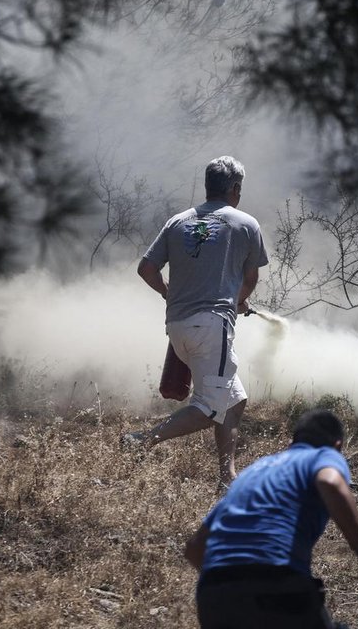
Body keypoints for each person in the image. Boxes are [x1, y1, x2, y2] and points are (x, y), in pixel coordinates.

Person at [127, 155, 268, 487]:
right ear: (235, 188)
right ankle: (142, 440)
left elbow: (146, 269)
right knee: (210, 406)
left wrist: (167, 293)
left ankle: (227, 476)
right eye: (240, 188)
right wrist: (238, 301)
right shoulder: (245, 224)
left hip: (177, 326)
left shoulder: (177, 222)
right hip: (212, 327)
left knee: (234, 400)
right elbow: (250, 278)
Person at [183, 409, 358, 629]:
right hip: (276, 583)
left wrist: (233, 584)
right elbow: (330, 482)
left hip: (214, 597)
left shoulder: (251, 473)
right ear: (338, 445)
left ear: (291, 442)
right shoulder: (323, 455)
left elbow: (194, 548)